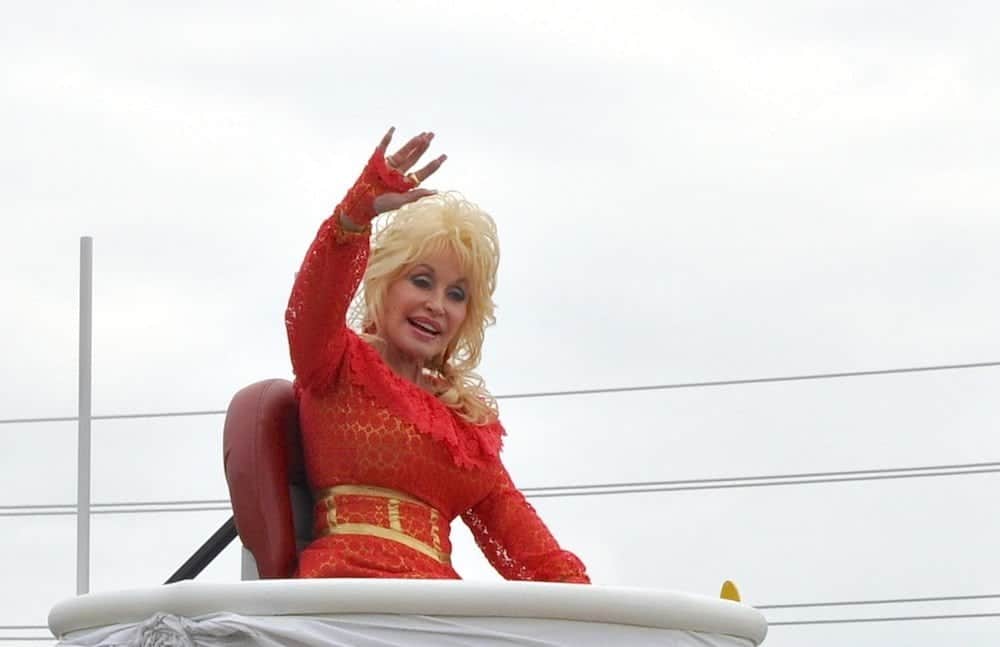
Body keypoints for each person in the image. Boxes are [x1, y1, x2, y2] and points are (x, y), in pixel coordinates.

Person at [285, 128, 590, 583]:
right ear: (384, 283)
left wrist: (601, 613)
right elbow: (312, 304)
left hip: (435, 611)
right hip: (343, 600)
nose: (437, 305)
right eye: (422, 281)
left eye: (456, 294)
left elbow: (529, 546)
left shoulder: (463, 423)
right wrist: (352, 219)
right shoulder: (335, 361)